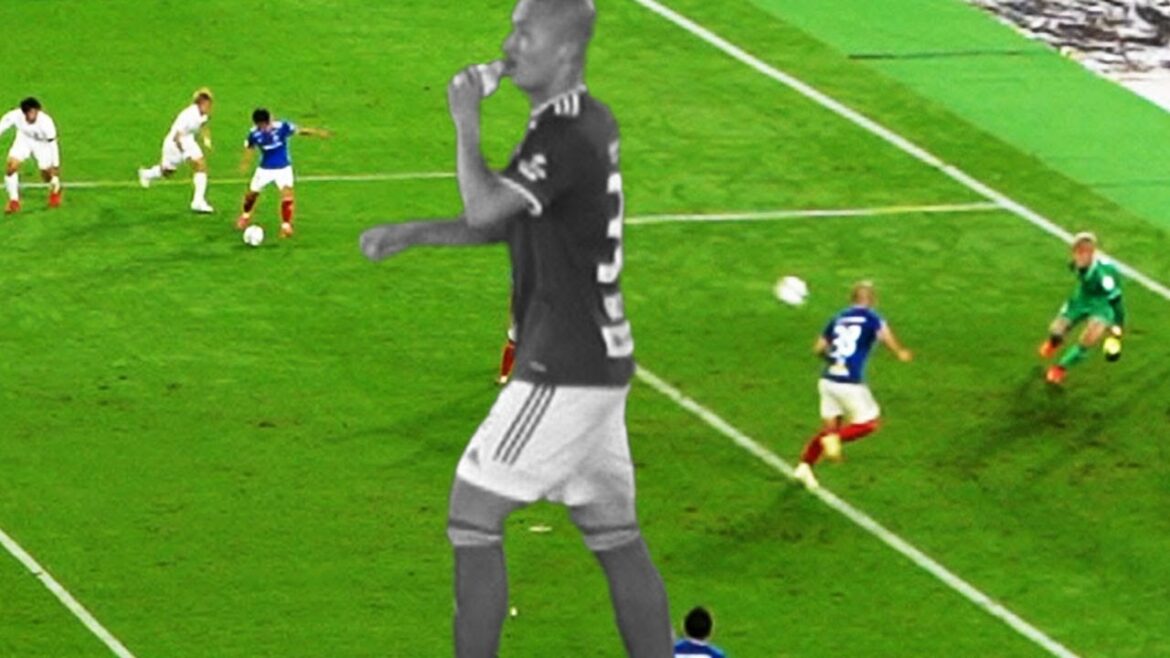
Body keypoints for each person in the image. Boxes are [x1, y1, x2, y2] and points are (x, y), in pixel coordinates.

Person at [359, 0, 672, 655]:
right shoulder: (582, 121)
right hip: (600, 363)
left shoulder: (564, 134)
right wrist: (412, 234)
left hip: (563, 366)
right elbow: (511, 222)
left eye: (525, 33)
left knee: (472, 516)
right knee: (616, 536)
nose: (509, 44)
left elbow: (483, 210)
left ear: (564, 51)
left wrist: (465, 117)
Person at [793, 281, 913, 491]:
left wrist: (833, 360)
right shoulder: (872, 317)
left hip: (828, 380)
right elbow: (885, 336)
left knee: (830, 428)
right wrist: (899, 352)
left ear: (852, 299)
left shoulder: (838, 318)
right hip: (850, 383)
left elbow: (818, 349)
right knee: (869, 423)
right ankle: (834, 439)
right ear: (872, 300)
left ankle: (805, 466)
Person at [1038, 232, 1125, 385]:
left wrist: (1118, 325)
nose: (1077, 256)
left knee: (1088, 339)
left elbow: (1116, 301)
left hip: (1101, 304)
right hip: (1081, 298)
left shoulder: (1104, 277)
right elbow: (1076, 268)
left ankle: (1060, 368)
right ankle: (1053, 343)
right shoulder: (1077, 264)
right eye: (1076, 252)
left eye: (1082, 253)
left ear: (1091, 253)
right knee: (1056, 330)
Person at [235, 108, 330, 238]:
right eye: (263, 125)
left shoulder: (282, 127)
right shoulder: (254, 133)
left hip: (283, 168)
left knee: (287, 194)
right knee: (252, 194)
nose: (267, 125)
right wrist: (245, 163)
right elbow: (249, 147)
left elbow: (300, 130)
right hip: (265, 169)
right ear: (258, 124)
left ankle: (286, 226)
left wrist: (318, 133)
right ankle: (245, 216)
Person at [137, 88, 215, 213]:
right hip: (174, 144)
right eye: (208, 104)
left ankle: (198, 202)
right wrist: (184, 152)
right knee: (168, 171)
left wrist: (206, 139)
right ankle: (147, 174)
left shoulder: (202, 113)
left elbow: (203, 125)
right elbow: (176, 136)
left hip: (188, 140)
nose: (210, 107)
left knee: (201, 166)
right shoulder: (188, 115)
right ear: (201, 103)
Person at [1, 97, 62, 214]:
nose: (33, 115)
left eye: (35, 112)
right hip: (24, 140)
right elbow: (2, 125)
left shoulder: (46, 122)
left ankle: (55, 187)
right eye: (31, 112)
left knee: (46, 175)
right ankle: (14, 201)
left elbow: (53, 144)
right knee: (11, 167)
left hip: (43, 145)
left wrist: (56, 165)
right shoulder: (15, 116)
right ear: (24, 113)